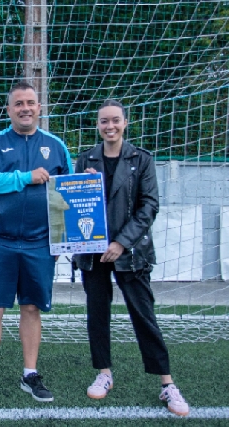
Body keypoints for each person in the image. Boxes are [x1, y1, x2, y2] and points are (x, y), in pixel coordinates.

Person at [73, 100, 189, 417]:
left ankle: (167, 383)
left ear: (125, 122)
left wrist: (121, 243)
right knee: (97, 315)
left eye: (115, 121)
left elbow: (149, 206)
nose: (109, 126)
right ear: (97, 125)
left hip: (131, 254)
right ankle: (104, 373)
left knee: (143, 315)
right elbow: (73, 205)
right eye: (103, 122)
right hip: (94, 254)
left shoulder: (142, 160)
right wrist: (82, 184)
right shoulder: (86, 159)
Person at [0, 81, 73, 404]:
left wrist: (62, 244)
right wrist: (25, 177)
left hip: (39, 243)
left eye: (31, 102)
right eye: (19, 104)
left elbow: (68, 193)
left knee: (31, 308)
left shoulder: (56, 145)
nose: (25, 108)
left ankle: (30, 374)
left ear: (40, 107)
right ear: (9, 109)